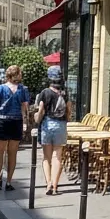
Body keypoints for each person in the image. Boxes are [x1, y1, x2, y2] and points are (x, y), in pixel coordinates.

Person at [0, 65, 30, 192]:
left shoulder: (1, 88)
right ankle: (9, 182)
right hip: (16, 121)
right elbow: (25, 107)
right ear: (17, 75)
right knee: (12, 153)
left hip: (2, 121)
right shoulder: (23, 89)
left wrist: (2, 109)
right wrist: (25, 121)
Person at [34, 66, 71, 195]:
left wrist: (36, 119)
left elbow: (40, 110)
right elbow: (68, 111)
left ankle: (48, 183)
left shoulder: (45, 92)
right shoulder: (65, 93)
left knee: (46, 157)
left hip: (47, 124)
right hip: (60, 125)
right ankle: (55, 186)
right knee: (57, 157)